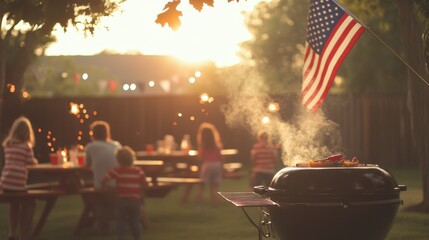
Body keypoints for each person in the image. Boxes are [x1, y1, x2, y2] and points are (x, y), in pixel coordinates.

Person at [0, 117, 39, 240]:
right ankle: (24, 234)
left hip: (5, 184)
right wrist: (35, 161)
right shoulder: (26, 146)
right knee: (31, 202)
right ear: (28, 132)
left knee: (14, 203)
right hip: (17, 185)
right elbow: (30, 162)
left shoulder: (8, 145)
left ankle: (12, 234)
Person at [101, 146, 149, 240]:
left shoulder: (117, 171)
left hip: (121, 200)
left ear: (118, 160)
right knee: (135, 221)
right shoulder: (138, 171)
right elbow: (145, 184)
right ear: (132, 158)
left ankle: (121, 237)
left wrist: (107, 187)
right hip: (135, 201)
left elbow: (104, 180)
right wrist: (140, 191)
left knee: (121, 221)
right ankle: (137, 237)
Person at [85, 120, 121, 233]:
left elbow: (87, 166)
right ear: (107, 133)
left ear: (93, 134)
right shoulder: (117, 145)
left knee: (96, 192)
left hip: (103, 187)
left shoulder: (91, 147)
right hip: (121, 186)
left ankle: (103, 225)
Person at [196, 122, 223, 208]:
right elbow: (220, 157)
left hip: (207, 165)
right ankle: (215, 206)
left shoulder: (203, 146)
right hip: (217, 165)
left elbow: (200, 157)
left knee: (201, 186)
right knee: (214, 186)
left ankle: (199, 206)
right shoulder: (217, 146)